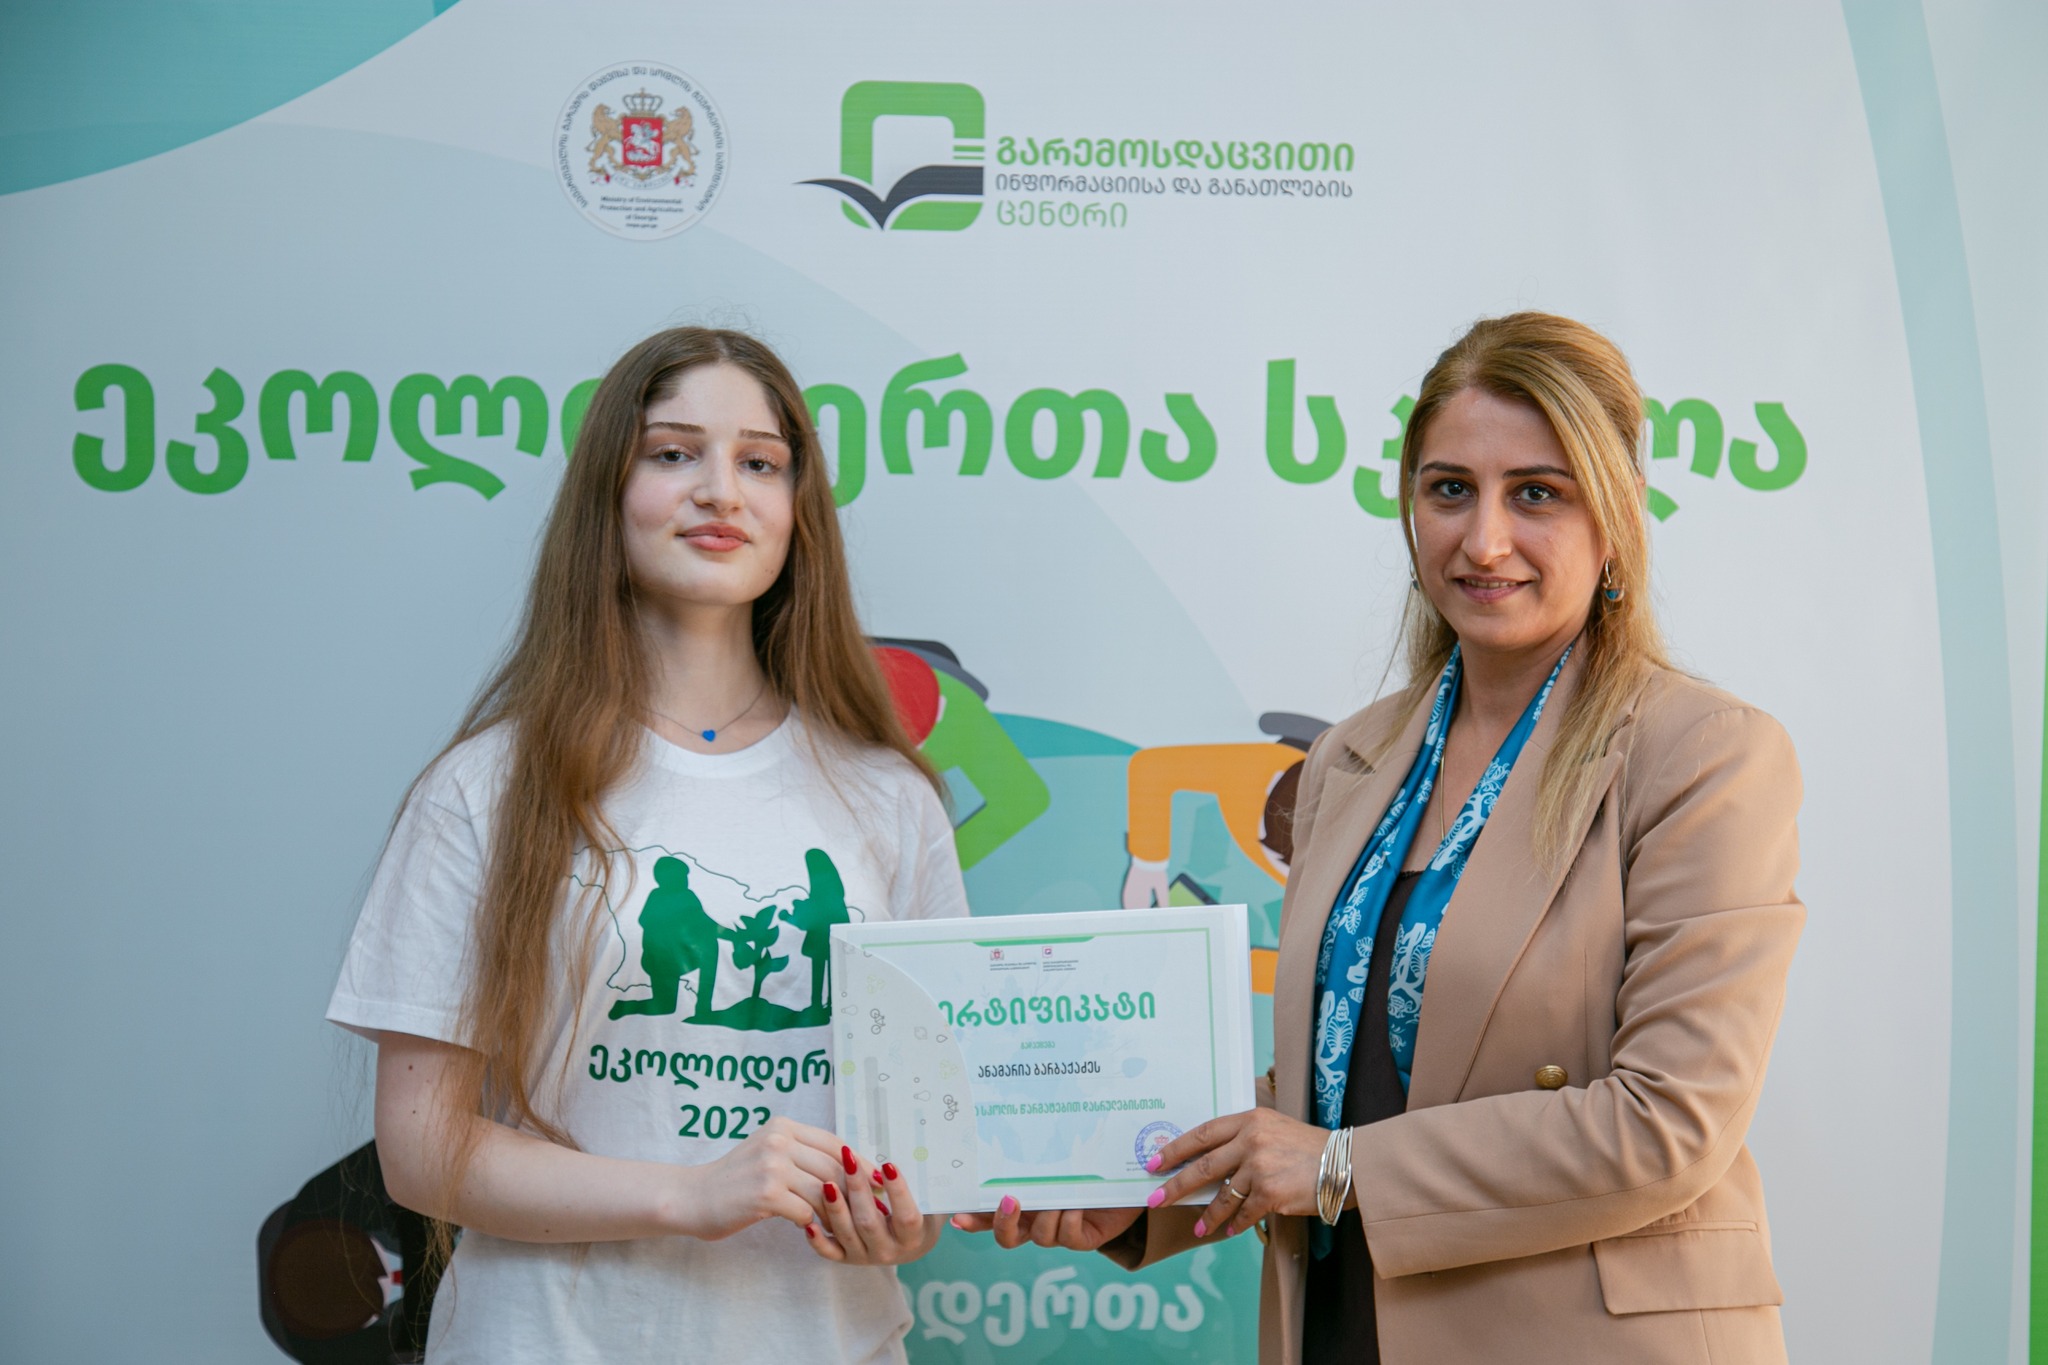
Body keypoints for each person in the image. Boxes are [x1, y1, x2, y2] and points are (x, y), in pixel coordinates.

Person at [956, 312, 1803, 1364]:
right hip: (1344, 1319)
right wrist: (1130, 1187)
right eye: (1449, 489)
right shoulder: (1351, 758)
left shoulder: (1704, 755)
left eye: (1536, 493)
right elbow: (1326, 1086)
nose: (1482, 540)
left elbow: (1670, 1120)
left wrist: (1339, 1170)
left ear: (1618, 513)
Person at [327, 327, 967, 1364]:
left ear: (797, 509)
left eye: (759, 463)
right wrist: (690, 1194)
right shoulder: (485, 788)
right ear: (608, 493)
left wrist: (901, 1221)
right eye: (673, 453)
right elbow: (422, 1150)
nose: (720, 491)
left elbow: (925, 1156)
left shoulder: (889, 797)